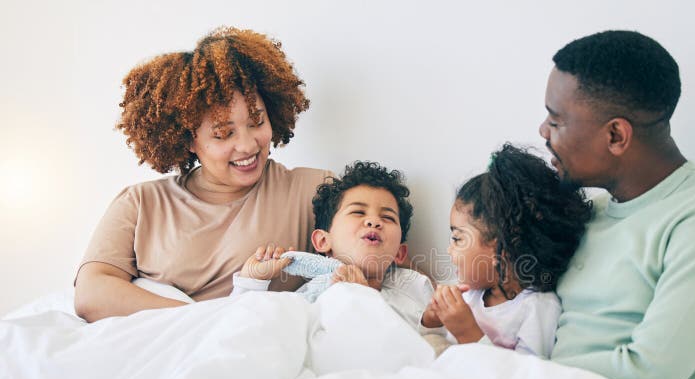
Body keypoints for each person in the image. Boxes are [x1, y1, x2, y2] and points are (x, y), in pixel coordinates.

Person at [539, 30, 695, 379]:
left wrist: (522, 376)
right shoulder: (591, 214)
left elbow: (651, 372)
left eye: (556, 120)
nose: (543, 132)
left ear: (616, 134)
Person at [74, 27, 333, 322]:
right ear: (188, 140)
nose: (248, 145)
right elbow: (91, 294)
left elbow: (378, 259)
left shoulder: (313, 190)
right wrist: (204, 322)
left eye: (257, 121)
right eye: (223, 134)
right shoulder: (140, 203)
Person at [420, 143, 591, 357]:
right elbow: (430, 344)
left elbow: (523, 378)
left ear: (502, 247)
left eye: (457, 238)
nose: (448, 249)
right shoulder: (470, 294)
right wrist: (431, 320)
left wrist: (468, 333)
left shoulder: (536, 308)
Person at [231, 161, 434, 329]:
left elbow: (410, 347)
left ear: (399, 253)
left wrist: (363, 298)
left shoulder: (408, 298)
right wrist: (252, 282)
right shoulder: (309, 296)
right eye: (358, 212)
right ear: (323, 241)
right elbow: (246, 327)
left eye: (387, 217)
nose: (374, 222)